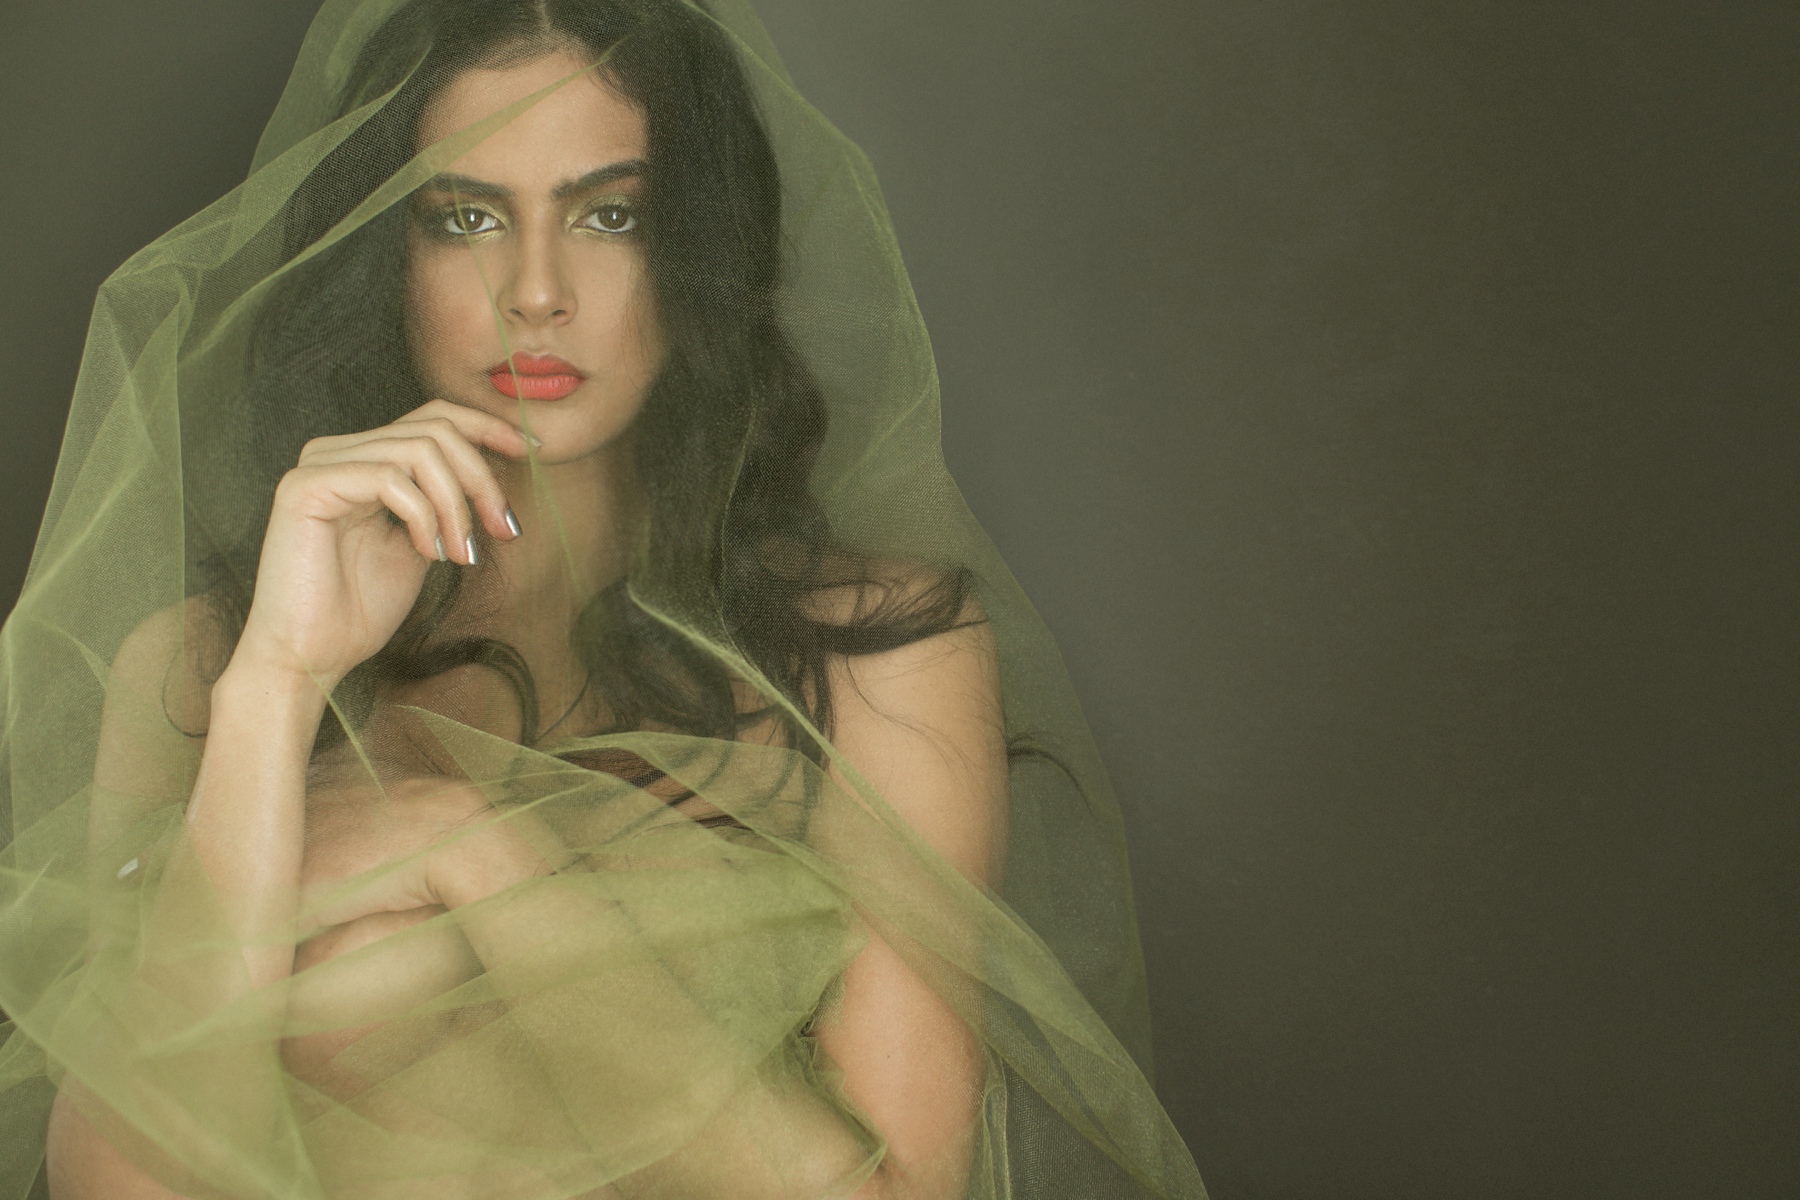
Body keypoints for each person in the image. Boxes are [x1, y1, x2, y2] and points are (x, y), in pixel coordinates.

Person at [0, 1, 1206, 1197]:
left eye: (609, 215)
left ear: (698, 254)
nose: (536, 291)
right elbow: (121, 1186)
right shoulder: (206, 663)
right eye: (467, 218)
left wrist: (465, 847)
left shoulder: (874, 656)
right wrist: (275, 685)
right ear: (388, 260)